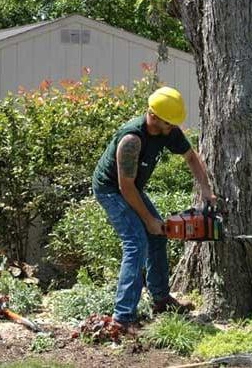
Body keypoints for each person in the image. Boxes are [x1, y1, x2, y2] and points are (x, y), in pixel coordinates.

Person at [92, 86, 216, 336]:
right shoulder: (132, 139)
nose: (173, 128)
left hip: (131, 187)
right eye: (169, 123)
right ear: (153, 116)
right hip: (111, 190)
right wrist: (148, 220)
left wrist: (207, 191)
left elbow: (191, 157)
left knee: (158, 235)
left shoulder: (168, 129)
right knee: (136, 243)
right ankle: (123, 318)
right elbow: (124, 187)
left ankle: (160, 299)